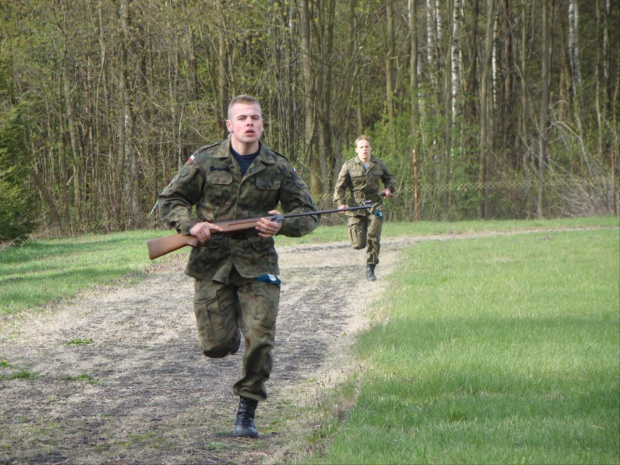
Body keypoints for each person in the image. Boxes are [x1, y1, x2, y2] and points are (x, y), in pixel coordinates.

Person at [157, 95, 319, 438]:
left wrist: (282, 223)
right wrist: (190, 225)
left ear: (262, 124)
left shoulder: (277, 166)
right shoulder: (204, 160)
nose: (250, 123)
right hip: (211, 263)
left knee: (260, 338)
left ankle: (247, 409)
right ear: (229, 125)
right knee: (215, 345)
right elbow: (170, 200)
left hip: (258, 262)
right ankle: (229, 338)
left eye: (255, 118)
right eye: (242, 118)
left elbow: (308, 213)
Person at [333, 135, 396, 281]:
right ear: (356, 150)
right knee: (358, 243)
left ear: (371, 148)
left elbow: (390, 179)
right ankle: (358, 240)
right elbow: (339, 187)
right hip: (356, 205)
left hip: (374, 203)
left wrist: (388, 189)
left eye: (367, 147)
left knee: (373, 235)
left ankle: (370, 267)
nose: (364, 150)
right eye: (361, 147)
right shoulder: (349, 165)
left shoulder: (378, 164)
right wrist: (340, 203)